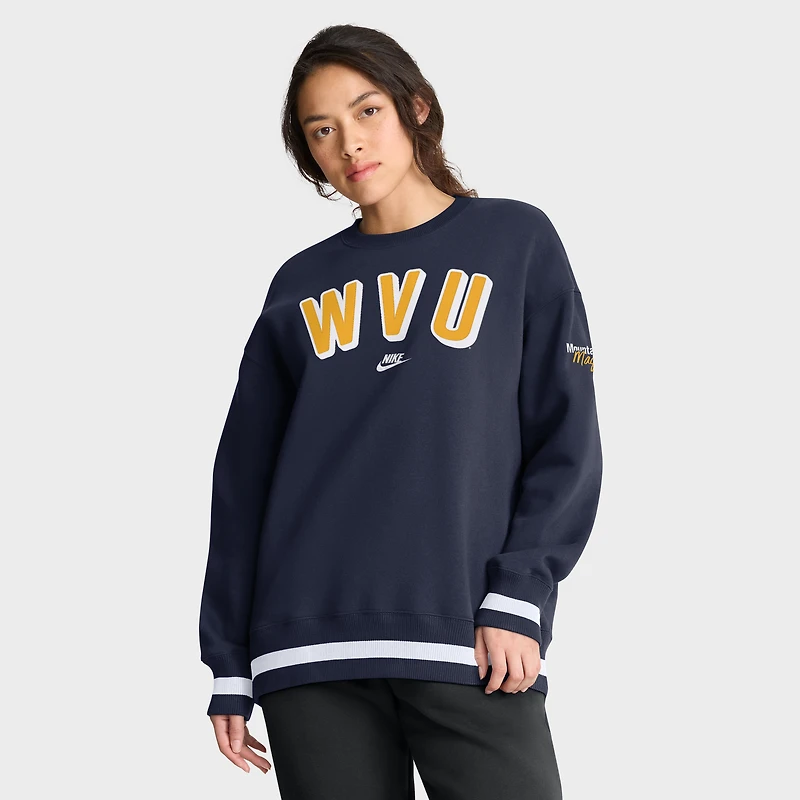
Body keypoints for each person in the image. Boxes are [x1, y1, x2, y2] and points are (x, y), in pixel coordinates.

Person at [198, 23, 602, 799]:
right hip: (307, 646)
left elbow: (566, 438)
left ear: (416, 107)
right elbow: (243, 481)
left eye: (367, 111)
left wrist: (521, 591)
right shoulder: (298, 284)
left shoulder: (515, 240)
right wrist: (227, 660)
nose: (349, 142)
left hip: (467, 634)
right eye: (322, 130)